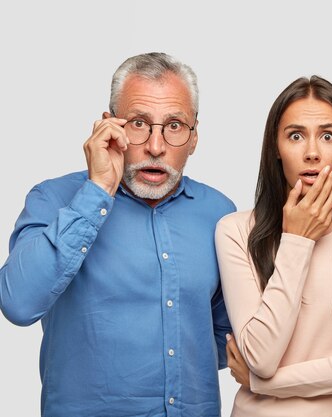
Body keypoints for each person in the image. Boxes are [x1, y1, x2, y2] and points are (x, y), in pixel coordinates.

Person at [0, 52, 236, 417]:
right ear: (109, 127)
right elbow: (18, 304)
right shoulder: (54, 199)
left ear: (194, 137)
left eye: (174, 126)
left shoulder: (219, 213)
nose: (156, 147)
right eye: (139, 123)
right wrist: (97, 191)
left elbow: (221, 338)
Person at [215, 75, 332, 417]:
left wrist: (263, 384)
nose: (312, 153)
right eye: (296, 136)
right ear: (276, 147)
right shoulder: (236, 231)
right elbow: (260, 357)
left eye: (328, 136)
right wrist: (297, 240)